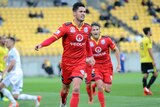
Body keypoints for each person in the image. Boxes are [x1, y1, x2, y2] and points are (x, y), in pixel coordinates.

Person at [35, 2, 95, 107]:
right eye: (80, 11)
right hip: (67, 64)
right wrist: (41, 45)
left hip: (80, 63)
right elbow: (53, 38)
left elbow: (87, 43)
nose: (83, 14)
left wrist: (90, 56)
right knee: (65, 89)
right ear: (74, 13)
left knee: (76, 88)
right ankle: (63, 102)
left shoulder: (88, 28)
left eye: (84, 11)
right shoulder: (65, 27)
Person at [86, 22, 121, 107]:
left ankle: (94, 85)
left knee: (108, 89)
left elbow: (116, 50)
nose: (95, 31)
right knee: (100, 86)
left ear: (100, 31)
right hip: (95, 66)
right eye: (93, 30)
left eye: (97, 29)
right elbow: (83, 54)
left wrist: (119, 64)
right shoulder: (88, 42)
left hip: (107, 66)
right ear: (91, 32)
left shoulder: (106, 40)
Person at [0, 37, 42, 107]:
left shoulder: (12, 51)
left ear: (12, 43)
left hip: (14, 74)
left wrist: (4, 74)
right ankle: (36, 98)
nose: (5, 43)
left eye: (7, 42)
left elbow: (12, 63)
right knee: (16, 96)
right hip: (18, 73)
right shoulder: (11, 51)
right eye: (5, 42)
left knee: (0, 87)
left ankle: (14, 103)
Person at [140, 27, 158, 96]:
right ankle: (146, 89)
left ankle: (145, 90)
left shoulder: (142, 40)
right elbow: (149, 50)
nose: (152, 32)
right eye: (151, 31)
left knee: (146, 75)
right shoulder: (148, 39)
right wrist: (153, 60)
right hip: (148, 60)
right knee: (156, 74)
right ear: (148, 32)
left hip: (142, 60)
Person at [0, 36, 9, 102]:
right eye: (3, 39)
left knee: (2, 83)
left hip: (4, 69)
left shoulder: (6, 49)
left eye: (5, 39)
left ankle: (2, 97)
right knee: (1, 83)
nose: (4, 40)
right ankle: (2, 97)